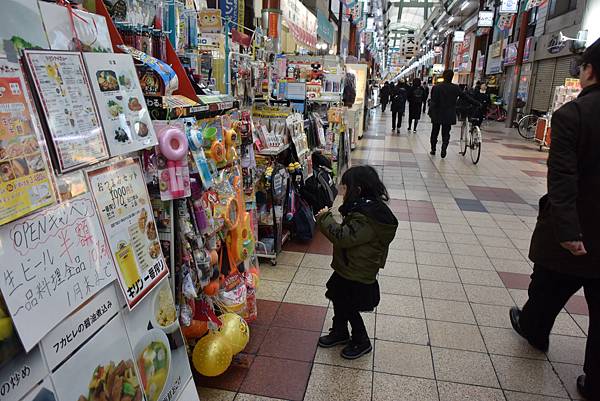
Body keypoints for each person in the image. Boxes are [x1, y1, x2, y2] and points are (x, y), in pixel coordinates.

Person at [509, 37, 600, 401]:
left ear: (588, 70)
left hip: (576, 229)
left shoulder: (574, 115)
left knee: (547, 288)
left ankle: (534, 330)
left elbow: (563, 177)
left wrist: (567, 230)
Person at [316, 166, 398, 359]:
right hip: (349, 265)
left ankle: (361, 340)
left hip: (358, 269)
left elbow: (344, 237)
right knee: (338, 295)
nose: (342, 192)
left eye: (345, 188)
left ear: (358, 190)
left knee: (349, 304)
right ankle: (340, 331)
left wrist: (325, 219)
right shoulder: (363, 208)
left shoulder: (367, 217)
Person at [428, 70, 479, 158]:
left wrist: (430, 112)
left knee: (434, 132)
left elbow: (433, 101)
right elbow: (465, 97)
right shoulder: (455, 88)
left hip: (437, 113)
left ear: (443, 76)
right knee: (446, 133)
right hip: (449, 114)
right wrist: (477, 103)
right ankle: (444, 148)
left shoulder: (436, 87)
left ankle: (433, 149)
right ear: (452, 77)